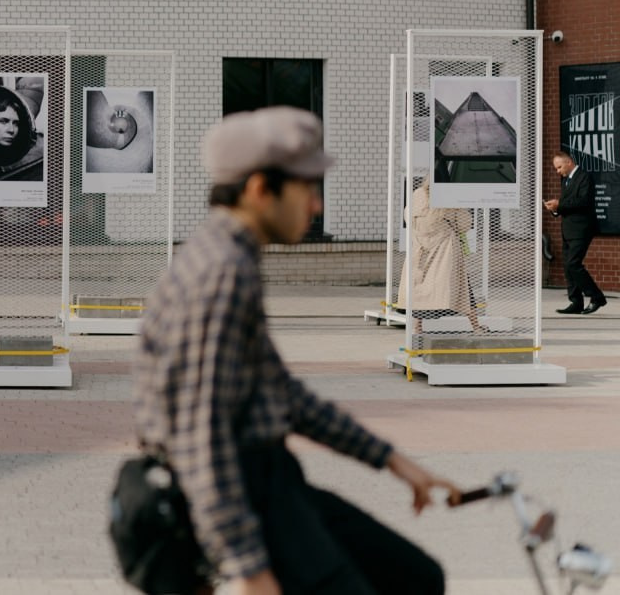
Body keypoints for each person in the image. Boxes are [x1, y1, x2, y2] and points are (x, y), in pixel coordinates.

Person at [134, 107, 457, 595]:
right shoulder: (221, 274)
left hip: (273, 483)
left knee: (417, 577)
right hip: (245, 494)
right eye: (307, 189)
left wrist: (391, 460)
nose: (317, 206)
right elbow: (201, 436)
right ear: (260, 189)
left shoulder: (228, 257)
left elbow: (282, 395)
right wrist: (249, 569)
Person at [397, 179, 484, 333]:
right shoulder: (449, 198)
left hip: (420, 250)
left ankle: (418, 327)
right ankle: (476, 327)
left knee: (420, 290)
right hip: (444, 253)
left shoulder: (418, 195)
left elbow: (407, 216)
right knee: (463, 289)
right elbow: (464, 225)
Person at [544, 150, 606, 315]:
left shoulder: (584, 177)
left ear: (569, 162)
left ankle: (597, 297)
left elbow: (583, 201)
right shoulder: (566, 180)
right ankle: (576, 302)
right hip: (568, 230)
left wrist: (559, 204)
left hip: (582, 229)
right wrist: (555, 209)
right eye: (556, 168)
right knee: (568, 266)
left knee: (573, 264)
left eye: (559, 167)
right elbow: (567, 204)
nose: (558, 171)